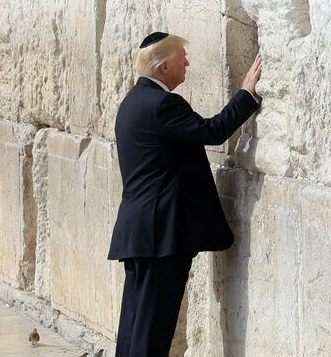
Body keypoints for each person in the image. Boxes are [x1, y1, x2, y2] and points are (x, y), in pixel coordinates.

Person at [107, 31, 262, 357]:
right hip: (161, 236)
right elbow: (213, 131)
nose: (187, 61)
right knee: (151, 331)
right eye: (182, 56)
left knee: (134, 327)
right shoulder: (163, 104)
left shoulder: (131, 102)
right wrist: (247, 92)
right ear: (163, 67)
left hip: (140, 232)